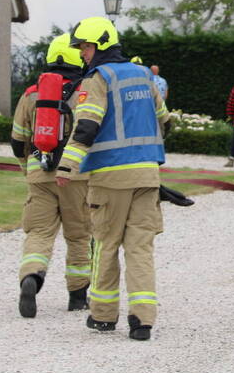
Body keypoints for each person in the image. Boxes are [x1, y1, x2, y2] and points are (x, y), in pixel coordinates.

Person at [55, 17, 170, 341]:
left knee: (106, 245)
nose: (81, 53)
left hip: (109, 178)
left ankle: (103, 316)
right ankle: (142, 320)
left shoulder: (98, 79)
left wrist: (66, 167)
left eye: (85, 47)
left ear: (101, 45)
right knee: (140, 249)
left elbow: (86, 127)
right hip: (147, 175)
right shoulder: (144, 74)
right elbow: (165, 121)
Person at [10, 33, 91, 318]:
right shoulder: (87, 92)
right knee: (79, 236)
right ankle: (78, 297)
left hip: (39, 175)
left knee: (39, 232)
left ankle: (31, 277)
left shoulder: (32, 94)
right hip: (77, 176)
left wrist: (27, 168)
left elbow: (18, 140)